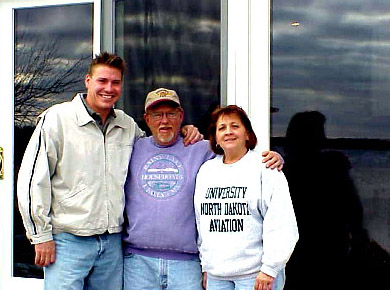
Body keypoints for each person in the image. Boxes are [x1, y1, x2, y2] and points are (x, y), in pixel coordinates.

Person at [16, 52, 201, 290]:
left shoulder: (126, 126)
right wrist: (40, 235)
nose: (108, 88)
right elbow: (32, 180)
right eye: (102, 81)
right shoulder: (57, 119)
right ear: (88, 81)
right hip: (69, 241)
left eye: (115, 82)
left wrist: (184, 130)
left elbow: (156, 147)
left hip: (112, 243)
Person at [122, 89, 284, 290]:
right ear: (147, 119)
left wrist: (271, 159)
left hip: (187, 264)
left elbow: (234, 156)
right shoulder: (130, 148)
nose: (164, 121)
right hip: (138, 262)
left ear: (181, 116)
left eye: (171, 114)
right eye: (157, 115)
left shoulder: (201, 149)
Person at [194, 105, 298, 290]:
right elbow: (202, 224)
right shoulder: (206, 171)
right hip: (217, 277)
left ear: (248, 134)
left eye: (235, 126)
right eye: (222, 128)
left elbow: (281, 223)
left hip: (256, 276)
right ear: (215, 138)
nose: (228, 132)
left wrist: (270, 268)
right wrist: (206, 267)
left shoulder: (265, 167)